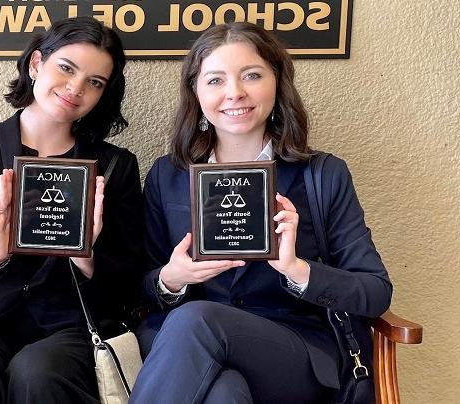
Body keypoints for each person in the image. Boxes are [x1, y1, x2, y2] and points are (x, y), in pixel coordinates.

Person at [130, 22, 392, 404]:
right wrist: (172, 279)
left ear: (277, 83)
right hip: (191, 356)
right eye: (215, 80)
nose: (235, 92)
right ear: (196, 92)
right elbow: (141, 284)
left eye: (251, 75)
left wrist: (298, 270)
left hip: (295, 352)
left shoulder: (322, 174)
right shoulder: (168, 175)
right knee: (223, 394)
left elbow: (375, 292)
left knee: (195, 319)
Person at [0, 17, 143, 403]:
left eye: (95, 82)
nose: (76, 88)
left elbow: (129, 281)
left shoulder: (115, 165)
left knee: (40, 374)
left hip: (70, 326)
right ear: (36, 64)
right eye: (66, 68)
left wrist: (86, 255)